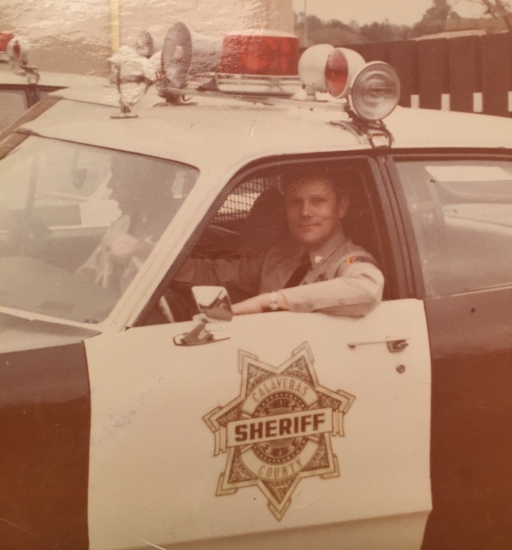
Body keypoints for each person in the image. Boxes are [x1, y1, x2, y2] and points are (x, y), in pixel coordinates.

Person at [175, 169, 384, 316]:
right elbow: (216, 274)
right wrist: (160, 264)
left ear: (341, 207)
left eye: (318, 201)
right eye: (295, 202)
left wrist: (269, 301)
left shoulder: (349, 261)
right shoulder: (281, 255)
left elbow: (366, 289)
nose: (305, 212)